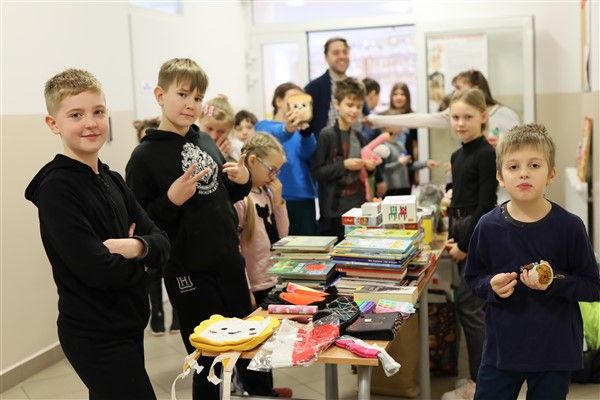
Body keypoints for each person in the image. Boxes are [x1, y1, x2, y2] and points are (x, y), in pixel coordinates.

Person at [126, 58, 273, 400]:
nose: (190, 104)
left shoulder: (204, 140)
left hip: (229, 263)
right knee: (209, 361)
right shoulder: (143, 157)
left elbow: (222, 195)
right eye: (182, 94)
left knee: (254, 352)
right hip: (189, 273)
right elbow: (140, 224)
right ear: (160, 95)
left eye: (197, 97)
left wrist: (242, 180)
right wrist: (171, 200)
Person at [25, 68, 170, 399]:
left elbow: (162, 242)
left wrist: (134, 247)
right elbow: (97, 269)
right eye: (76, 115)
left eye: (98, 112)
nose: (90, 123)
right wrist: (147, 261)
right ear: (53, 123)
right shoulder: (57, 189)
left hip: (128, 322)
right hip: (94, 333)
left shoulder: (112, 179)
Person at [465, 124, 600, 399]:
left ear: (551, 174)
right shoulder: (487, 227)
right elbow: (473, 279)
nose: (523, 173)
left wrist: (553, 282)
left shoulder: (570, 227)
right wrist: (491, 285)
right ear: (500, 176)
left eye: (534, 165)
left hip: (555, 350)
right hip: (502, 349)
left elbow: (593, 287)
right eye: (513, 166)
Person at [444, 88, 498, 396]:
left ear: (483, 116)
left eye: (468, 117)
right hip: (461, 228)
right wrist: (453, 236)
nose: (461, 123)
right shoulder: (458, 154)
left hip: (476, 234)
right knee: (468, 307)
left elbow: (485, 205)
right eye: (455, 117)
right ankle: (478, 378)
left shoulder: (485, 154)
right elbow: (460, 200)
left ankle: (480, 383)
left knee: (471, 307)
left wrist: (465, 245)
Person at [367, 69, 520, 146]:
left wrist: (499, 146)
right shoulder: (454, 113)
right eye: (456, 118)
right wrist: (377, 120)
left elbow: (518, 149)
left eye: (459, 88)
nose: (455, 93)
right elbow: (420, 120)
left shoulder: (505, 114)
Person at [311, 77, 378, 241]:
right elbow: (317, 172)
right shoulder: (326, 135)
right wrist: (345, 165)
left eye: (359, 106)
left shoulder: (359, 136)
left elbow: (366, 174)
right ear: (336, 104)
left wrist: (370, 167)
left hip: (357, 207)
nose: (354, 111)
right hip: (333, 211)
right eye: (349, 105)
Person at [132, 117, 180, 336]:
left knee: (173, 273)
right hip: (150, 230)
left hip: (171, 231)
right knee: (153, 276)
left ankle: (177, 316)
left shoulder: (168, 163)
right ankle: (157, 316)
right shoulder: (138, 163)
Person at [256, 82, 318, 235]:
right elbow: (276, 134)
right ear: (279, 101)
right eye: (293, 97)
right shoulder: (264, 126)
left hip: (304, 196)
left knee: (309, 245)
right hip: (275, 197)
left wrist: (307, 134)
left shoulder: (300, 131)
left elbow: (308, 153)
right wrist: (287, 128)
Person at [235, 133, 289, 304]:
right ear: (252, 161)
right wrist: (245, 288)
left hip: (274, 277)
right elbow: (235, 249)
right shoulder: (241, 199)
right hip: (255, 285)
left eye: (277, 171)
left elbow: (283, 237)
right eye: (271, 170)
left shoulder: (265, 192)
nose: (274, 176)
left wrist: (278, 202)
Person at [305, 37, 369, 137]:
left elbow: (366, 117)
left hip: (355, 143)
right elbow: (306, 129)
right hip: (326, 144)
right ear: (326, 57)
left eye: (345, 52)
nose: (342, 56)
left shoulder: (357, 86)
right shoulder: (314, 88)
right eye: (336, 53)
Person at [379, 123, 438, 196]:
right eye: (395, 123)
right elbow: (381, 170)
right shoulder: (382, 147)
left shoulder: (400, 145)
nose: (399, 126)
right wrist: (399, 163)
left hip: (404, 187)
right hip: (390, 189)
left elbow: (408, 165)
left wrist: (425, 164)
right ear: (386, 127)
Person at [386, 82, 420, 186]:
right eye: (395, 94)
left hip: (408, 165)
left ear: (407, 97)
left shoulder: (413, 117)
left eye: (402, 94)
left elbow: (416, 146)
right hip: (390, 167)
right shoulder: (385, 117)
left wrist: (417, 172)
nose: (398, 97)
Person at [197, 94, 236, 161]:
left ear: (230, 130)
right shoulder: (189, 145)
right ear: (200, 121)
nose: (213, 136)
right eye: (209, 129)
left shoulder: (237, 150)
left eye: (221, 132)